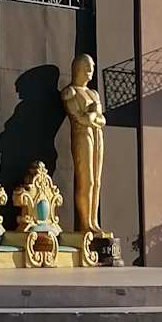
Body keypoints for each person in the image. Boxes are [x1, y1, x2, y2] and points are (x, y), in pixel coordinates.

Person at [61, 53, 107, 237]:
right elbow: (81, 119)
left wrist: (91, 116)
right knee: (86, 180)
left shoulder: (93, 93)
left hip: (97, 135)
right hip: (82, 135)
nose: (90, 71)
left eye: (92, 68)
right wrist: (93, 114)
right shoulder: (70, 92)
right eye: (87, 67)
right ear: (78, 68)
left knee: (97, 181)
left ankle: (93, 221)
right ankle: (84, 222)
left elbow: (102, 120)